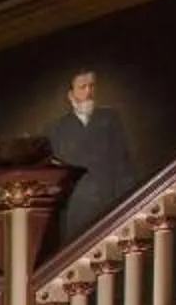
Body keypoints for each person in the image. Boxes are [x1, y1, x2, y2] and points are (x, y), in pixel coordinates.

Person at [45, 68, 137, 246]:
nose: (88, 92)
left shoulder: (110, 119)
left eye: (91, 86)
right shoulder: (57, 128)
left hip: (108, 202)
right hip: (75, 207)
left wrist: (128, 200)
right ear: (70, 94)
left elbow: (122, 164)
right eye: (82, 87)